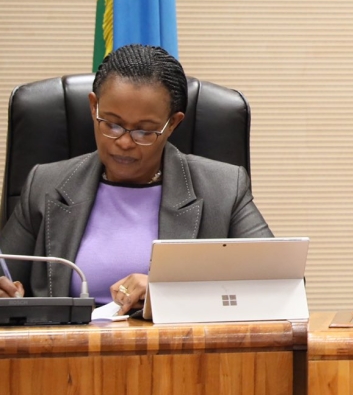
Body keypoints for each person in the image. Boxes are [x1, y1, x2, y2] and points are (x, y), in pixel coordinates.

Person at [0, 45, 271, 314]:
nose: (125, 142)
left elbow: (279, 285)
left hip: (177, 353)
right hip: (65, 353)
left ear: (172, 124)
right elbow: (6, 273)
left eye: (144, 131)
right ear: (94, 107)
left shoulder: (223, 188)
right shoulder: (45, 184)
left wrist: (164, 293)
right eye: (112, 124)